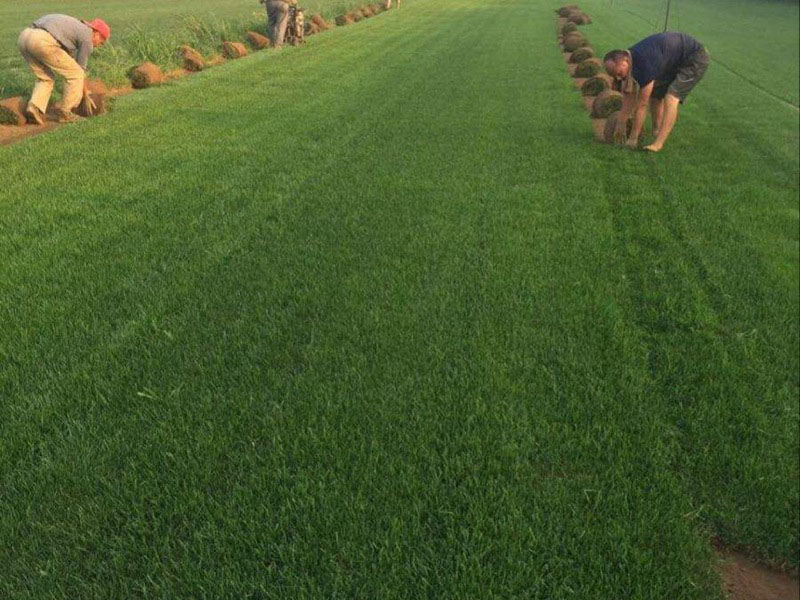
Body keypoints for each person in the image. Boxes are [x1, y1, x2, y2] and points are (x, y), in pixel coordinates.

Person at [603, 32, 709, 152]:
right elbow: (629, 96)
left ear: (625, 60)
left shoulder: (644, 64)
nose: (617, 78)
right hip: (672, 60)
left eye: (618, 73)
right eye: (613, 75)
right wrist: (620, 123)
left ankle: (658, 144)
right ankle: (656, 130)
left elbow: (642, 105)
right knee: (656, 94)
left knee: (671, 97)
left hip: (694, 58)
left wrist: (633, 138)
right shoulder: (631, 60)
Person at [17, 14, 110, 125]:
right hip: (42, 40)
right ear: (96, 33)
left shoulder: (76, 27)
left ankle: (33, 107)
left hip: (25, 36)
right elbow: (80, 70)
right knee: (76, 74)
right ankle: (66, 113)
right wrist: (85, 94)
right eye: (101, 41)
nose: (99, 45)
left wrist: (84, 91)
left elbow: (68, 58)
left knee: (46, 77)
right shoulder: (87, 38)